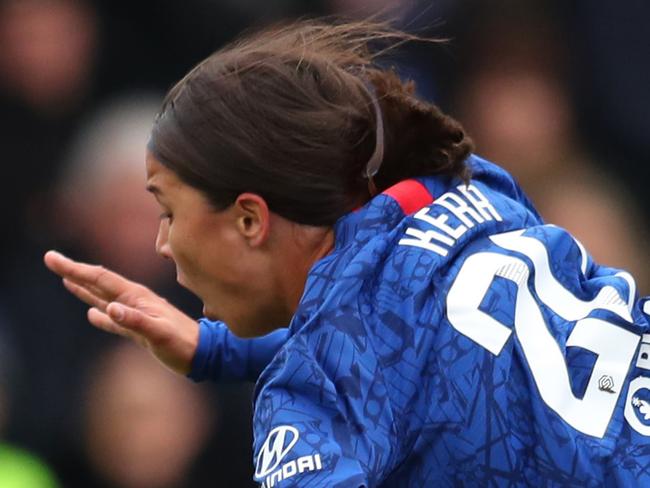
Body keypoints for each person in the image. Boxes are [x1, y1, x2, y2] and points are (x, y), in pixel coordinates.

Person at [43, 18, 650, 487]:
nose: (162, 243)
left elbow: (359, 350)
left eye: (170, 212)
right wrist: (219, 350)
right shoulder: (459, 189)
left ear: (251, 218)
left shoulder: (309, 396)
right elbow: (403, 330)